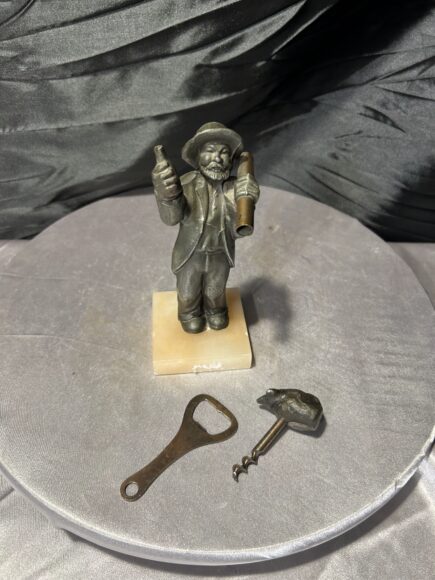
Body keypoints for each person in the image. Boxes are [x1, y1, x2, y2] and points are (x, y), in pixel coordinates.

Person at [152, 122, 260, 333]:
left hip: (220, 252)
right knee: (188, 291)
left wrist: (249, 201)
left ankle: (215, 310)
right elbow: (171, 218)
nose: (217, 159)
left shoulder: (236, 187)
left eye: (224, 153)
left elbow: (239, 228)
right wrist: (166, 194)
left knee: (216, 289)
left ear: (232, 159)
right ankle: (189, 313)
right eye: (209, 151)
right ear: (197, 156)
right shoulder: (185, 183)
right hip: (191, 253)